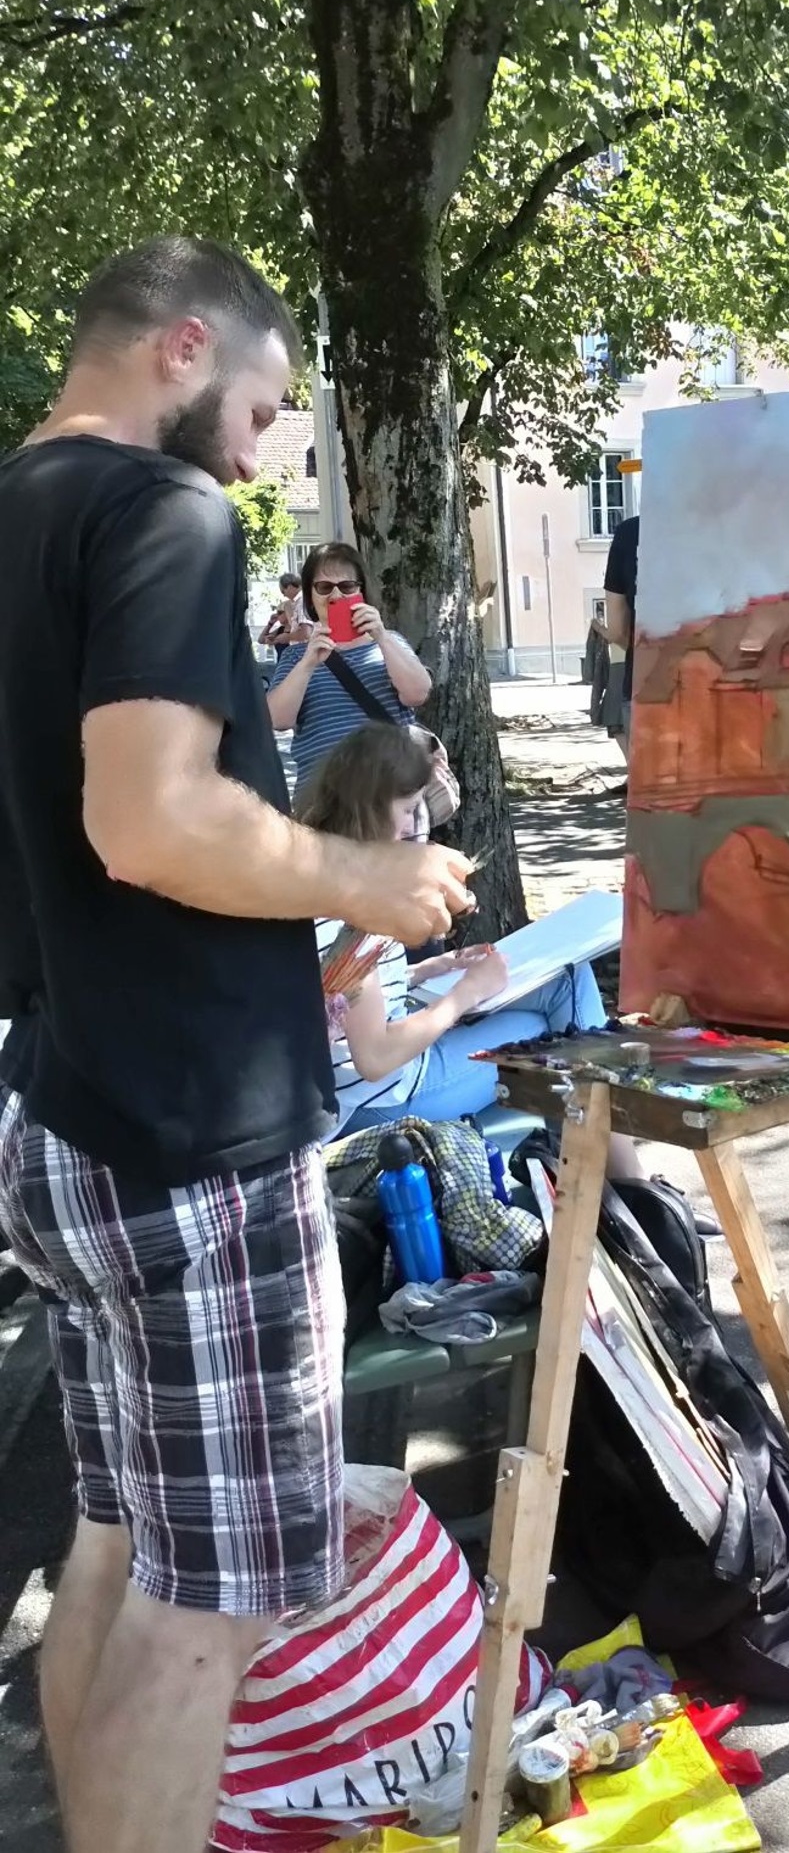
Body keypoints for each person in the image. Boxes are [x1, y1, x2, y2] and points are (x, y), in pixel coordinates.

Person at [0, 236, 474, 1853]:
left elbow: (78, 834)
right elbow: (151, 820)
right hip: (199, 1137)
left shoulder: (16, 514)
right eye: (263, 409)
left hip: (68, 1112)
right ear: (184, 347)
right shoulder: (160, 508)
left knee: (117, 1555)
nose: (263, 453)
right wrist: (373, 877)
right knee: (211, 1618)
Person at [300, 724, 643, 1177]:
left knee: (567, 989)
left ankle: (605, 1177)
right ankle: (627, 1184)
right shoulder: (361, 910)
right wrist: (465, 993)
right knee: (555, 1032)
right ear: (369, 810)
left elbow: (341, 996)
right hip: (382, 1099)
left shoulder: (317, 873)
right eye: (406, 810)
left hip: (355, 1090)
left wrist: (423, 973)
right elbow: (376, 1058)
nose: (410, 825)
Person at [265, 539, 432, 804]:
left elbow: (418, 694)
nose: (336, 596)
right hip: (325, 802)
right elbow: (277, 720)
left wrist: (381, 636)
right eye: (324, 587)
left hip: (391, 799)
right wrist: (308, 663)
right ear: (310, 596)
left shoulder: (390, 642)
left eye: (347, 586)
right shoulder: (298, 657)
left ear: (362, 591)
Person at [603, 512, 639, 760]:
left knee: (654, 792)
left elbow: (617, 631)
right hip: (718, 688)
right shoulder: (724, 526)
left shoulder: (629, 533)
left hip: (645, 682)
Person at [259, 570, 308, 652]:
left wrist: (288, 637)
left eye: (283, 591)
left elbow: (306, 633)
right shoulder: (299, 602)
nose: (283, 595)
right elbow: (261, 640)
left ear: (289, 587)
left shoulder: (301, 602)